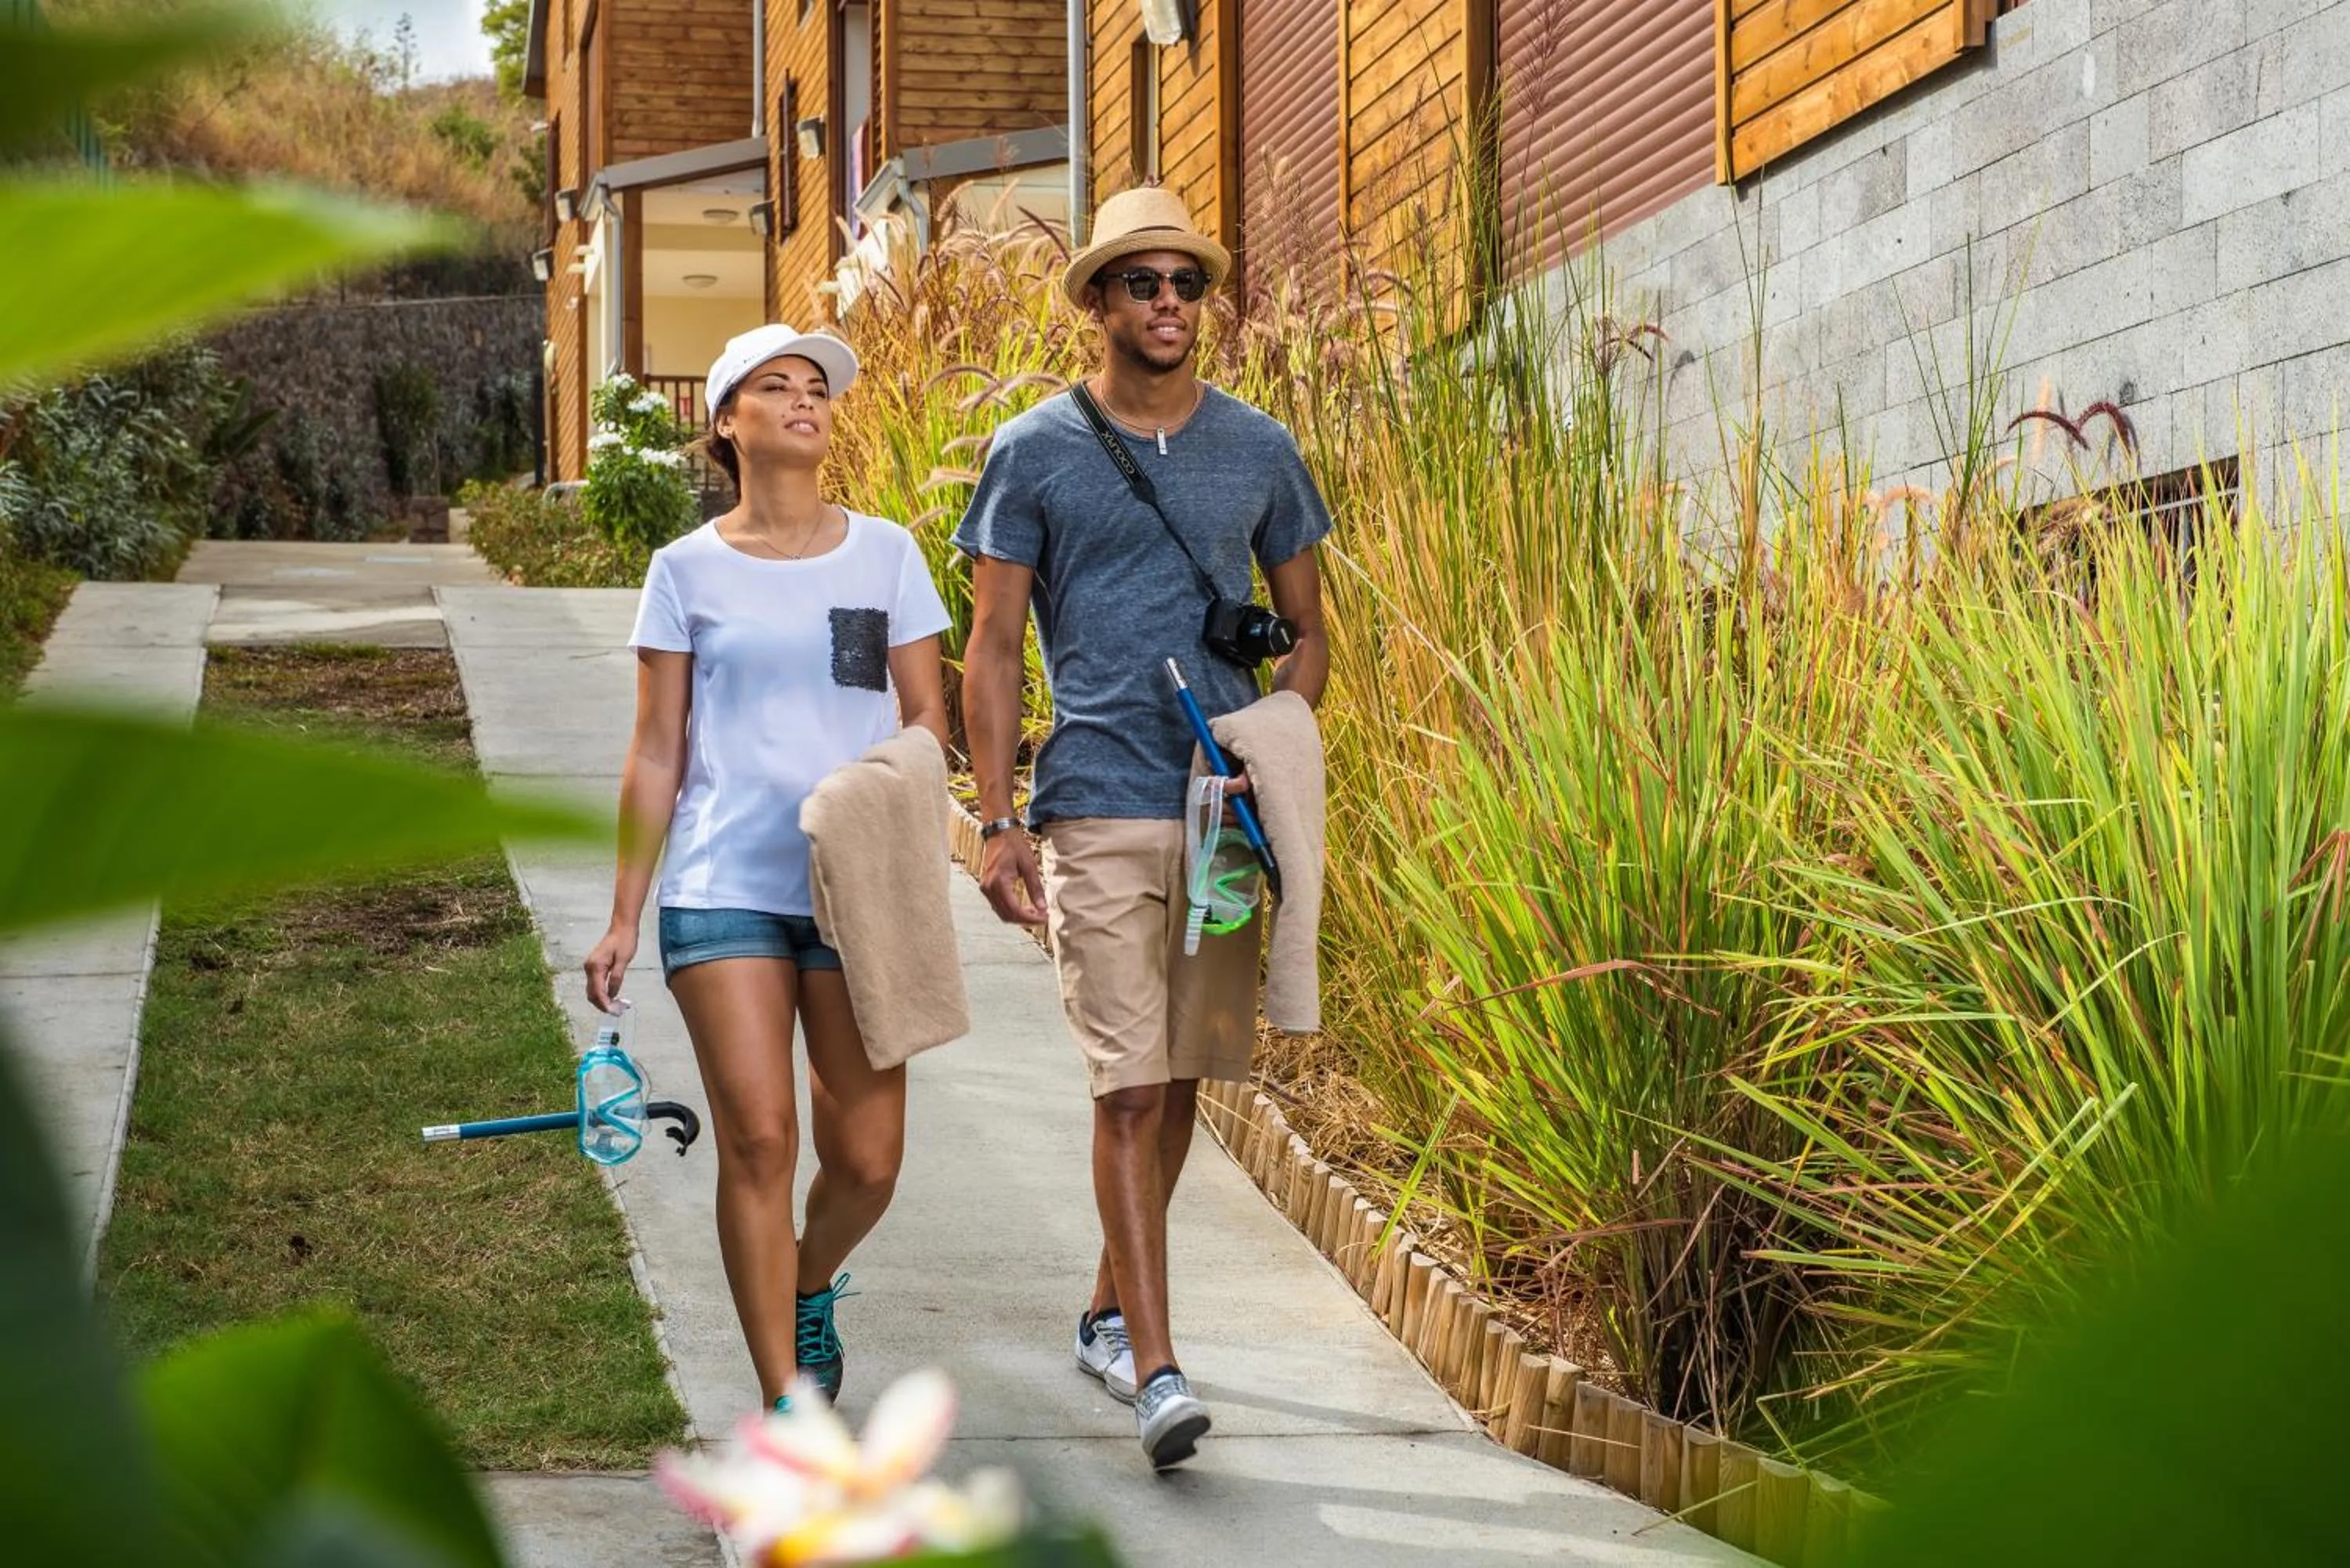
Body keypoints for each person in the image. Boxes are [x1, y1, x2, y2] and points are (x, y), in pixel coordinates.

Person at [953, 186, 1334, 1469]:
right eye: (1144, 282)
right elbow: (994, 645)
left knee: (1182, 1078)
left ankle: (1110, 1312)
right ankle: (1161, 1370)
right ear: (1101, 301)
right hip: (1097, 801)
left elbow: (1310, 627)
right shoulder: (1035, 449)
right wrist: (997, 815)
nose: (1170, 302)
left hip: (1221, 808)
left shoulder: (1261, 449)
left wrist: (1277, 733)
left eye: (1188, 283)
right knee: (1126, 1079)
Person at [584, 323, 952, 1416]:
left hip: (856, 891)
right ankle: (790, 1414)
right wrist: (621, 914)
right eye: (777, 386)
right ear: (727, 421)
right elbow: (658, 747)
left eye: (819, 390)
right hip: (721, 883)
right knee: (759, 1138)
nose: (806, 401)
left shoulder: (884, 554)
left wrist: (887, 796)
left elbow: (927, 717)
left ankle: (806, 1280)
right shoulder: (682, 570)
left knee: (870, 1157)